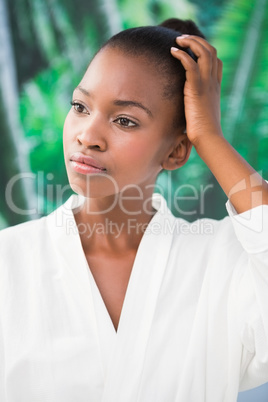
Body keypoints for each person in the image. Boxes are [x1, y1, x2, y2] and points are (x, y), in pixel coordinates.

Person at [0, 18, 267, 402]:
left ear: (176, 151)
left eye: (125, 120)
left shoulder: (222, 265)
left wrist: (210, 136)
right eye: (80, 106)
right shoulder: (9, 261)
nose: (87, 136)